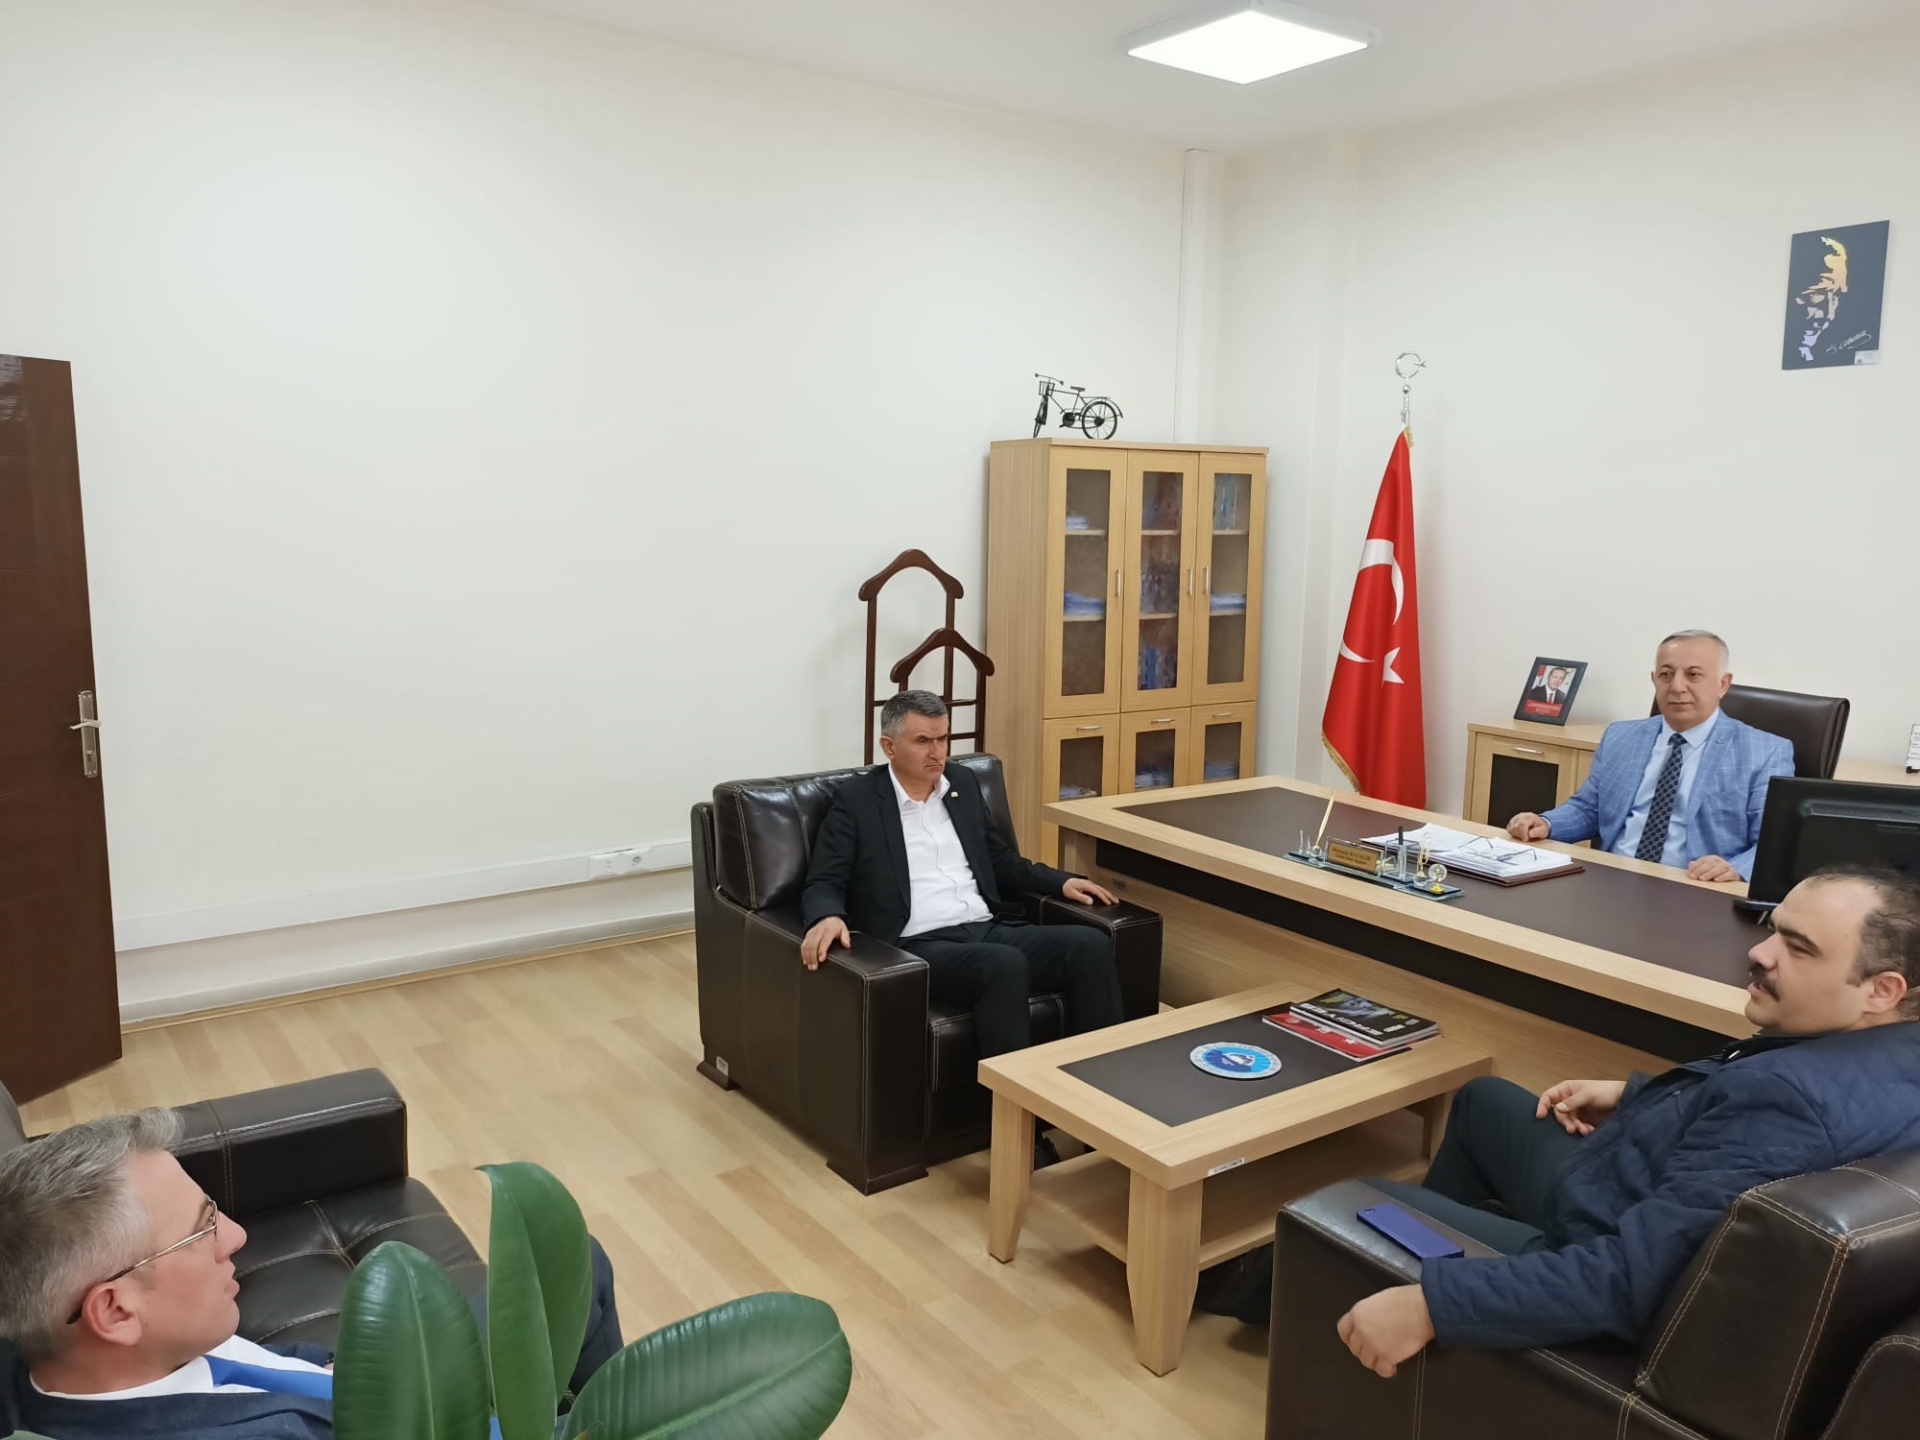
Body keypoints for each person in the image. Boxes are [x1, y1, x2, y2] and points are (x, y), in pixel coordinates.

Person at [1335, 865, 1920, 1377]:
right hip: (1631, 1195)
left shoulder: (1783, 1104)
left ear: (1881, 990)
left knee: (1354, 1198)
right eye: (1773, 928)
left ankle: (1379, 1285)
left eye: (1799, 947)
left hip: (1596, 1249)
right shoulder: (1881, 1056)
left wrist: (1432, 1305)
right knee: (1484, 1101)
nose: (1761, 953)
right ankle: (1439, 1277)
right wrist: (1637, 1096)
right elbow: (1738, 1132)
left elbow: (1627, 1280)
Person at [1, 1111, 622, 1439]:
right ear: (115, 1311)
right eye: (202, 1228)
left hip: (371, 1381)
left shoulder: (60, 1355)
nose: (236, 1237)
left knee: (571, 1262)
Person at [800, 690, 1124, 1064]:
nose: (937, 752)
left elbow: (999, 858)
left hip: (985, 927)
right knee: (1002, 964)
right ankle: (1009, 1099)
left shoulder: (962, 783)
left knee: (1089, 945)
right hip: (918, 941)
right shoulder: (857, 800)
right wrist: (827, 915)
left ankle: (1103, 1078)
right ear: (889, 746)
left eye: (943, 739)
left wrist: (1059, 881)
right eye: (923, 741)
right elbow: (825, 878)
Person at [1507, 631, 1793, 882]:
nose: (1677, 686)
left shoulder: (1764, 752)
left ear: (1723, 684)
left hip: (1696, 888)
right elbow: (1589, 809)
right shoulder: (1621, 736)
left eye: (1693, 675)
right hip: (1612, 879)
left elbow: (1773, 844)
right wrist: (1546, 823)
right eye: (1666, 675)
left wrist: (1735, 869)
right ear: (1654, 680)